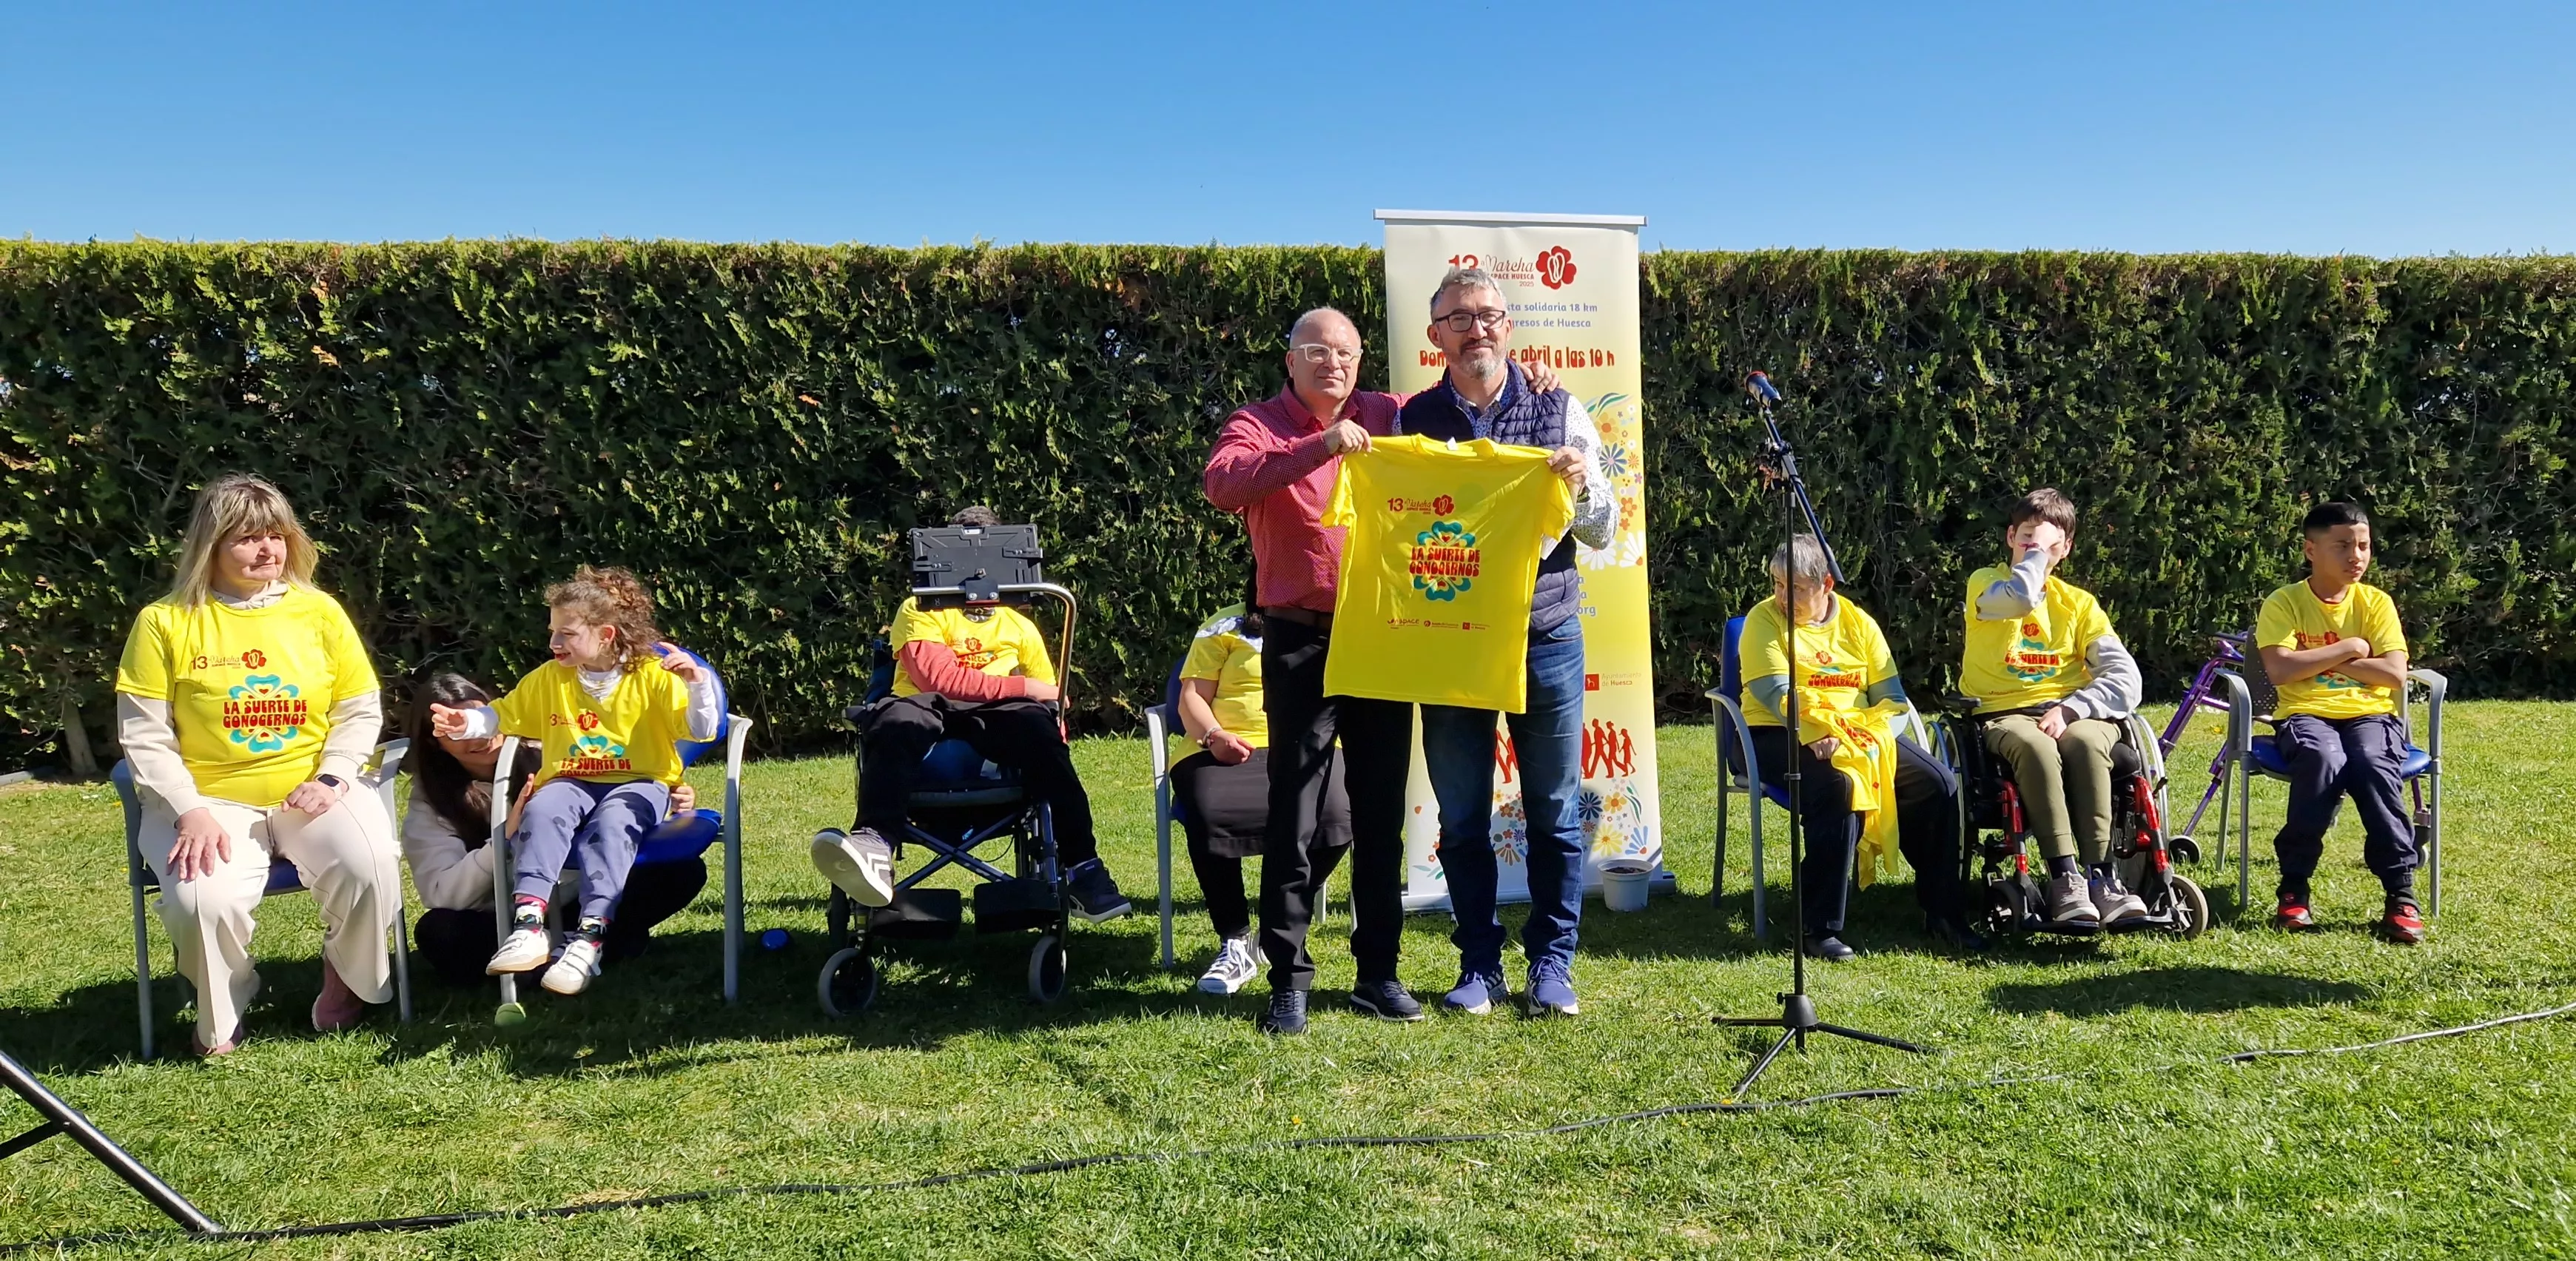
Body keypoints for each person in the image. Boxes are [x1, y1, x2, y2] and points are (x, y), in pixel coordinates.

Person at [1201, 306, 1560, 1034]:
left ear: (1361, 361)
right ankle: (1289, 979)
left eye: (1345, 353)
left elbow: (1465, 406)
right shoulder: (1258, 423)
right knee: (1295, 811)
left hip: (1385, 637)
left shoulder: (1392, 413)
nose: (1332, 364)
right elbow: (1225, 485)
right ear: (1291, 360)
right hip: (1300, 639)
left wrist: (1530, 382)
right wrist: (1321, 445)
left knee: (1379, 813)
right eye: (1316, 352)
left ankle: (1377, 973)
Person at [112, 474, 404, 1055]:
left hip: (312, 788)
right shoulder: (164, 622)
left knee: (370, 865)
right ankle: (227, 1001)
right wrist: (188, 810)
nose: (267, 550)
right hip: (207, 800)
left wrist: (334, 775)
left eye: (276, 535)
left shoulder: (318, 611)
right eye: (246, 538)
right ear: (210, 547)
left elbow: (358, 707)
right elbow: (143, 734)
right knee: (202, 899)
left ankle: (348, 977)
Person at [1397, 266, 1612, 1019]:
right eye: (1458, 317)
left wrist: (1581, 482)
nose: (1475, 328)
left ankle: (1551, 964)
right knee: (1460, 818)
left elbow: (1603, 529)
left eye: (1488, 314)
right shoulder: (1411, 420)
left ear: (1508, 326)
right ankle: (1478, 965)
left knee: (1553, 812)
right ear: (1435, 337)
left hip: (1545, 636)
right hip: (1451, 644)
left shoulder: (1559, 407)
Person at [810, 506, 1132, 924]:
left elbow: (1054, 701)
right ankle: (874, 844)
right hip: (925, 703)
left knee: (1041, 733)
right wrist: (1025, 688)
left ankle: (1083, 870)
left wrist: (1048, 718)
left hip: (995, 715)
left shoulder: (1018, 625)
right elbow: (936, 679)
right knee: (896, 721)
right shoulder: (919, 608)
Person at [426, 566, 722, 996]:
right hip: (571, 779)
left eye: (566, 634)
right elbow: (502, 714)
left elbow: (701, 729)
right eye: (552, 631)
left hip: (640, 781)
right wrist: (464, 721)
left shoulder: (654, 676)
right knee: (543, 808)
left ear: (604, 634)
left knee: (614, 823)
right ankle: (529, 925)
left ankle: (591, 936)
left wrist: (696, 686)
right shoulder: (550, 678)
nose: (553, 643)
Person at [1739, 535, 1969, 960]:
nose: (1782, 597)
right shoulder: (1763, 621)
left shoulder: (1860, 624)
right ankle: (1816, 926)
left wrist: (1873, 737)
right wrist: (1816, 730)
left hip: (1857, 734)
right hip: (1776, 733)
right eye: (1776, 584)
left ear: (1827, 584)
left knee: (1937, 783)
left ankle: (1944, 911)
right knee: (1838, 787)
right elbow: (1775, 694)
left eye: (1796, 588)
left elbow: (1894, 700)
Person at [400, 672, 709, 987]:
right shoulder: (431, 800)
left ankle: (577, 946)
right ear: (433, 742)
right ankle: (582, 950)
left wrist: (668, 798)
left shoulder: (552, 754)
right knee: (439, 931)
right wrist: (504, 836)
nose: (477, 738)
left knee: (680, 871)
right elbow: (443, 892)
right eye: (455, 730)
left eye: (476, 719)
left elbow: (617, 809)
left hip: (576, 893)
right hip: (500, 913)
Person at [1960, 488, 2148, 930]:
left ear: (2066, 549)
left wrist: (2075, 708)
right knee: (2038, 747)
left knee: (2084, 743)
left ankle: (2103, 879)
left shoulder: (2079, 605)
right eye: (2026, 538)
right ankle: (2065, 877)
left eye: (2047, 543)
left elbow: (2126, 678)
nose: (2034, 549)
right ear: (2010, 537)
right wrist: (2034, 559)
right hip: (2002, 712)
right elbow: (2022, 598)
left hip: (2074, 711)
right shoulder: (1986, 584)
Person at [2256, 501, 2425, 944]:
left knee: (2371, 763)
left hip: (2372, 715)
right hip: (2305, 716)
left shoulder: (2376, 603)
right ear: (2312, 550)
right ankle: (2294, 888)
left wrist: (2314, 661)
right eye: (2343, 546)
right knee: (2321, 757)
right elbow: (2278, 671)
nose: (2357, 556)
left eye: (2365, 546)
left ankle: (2401, 897)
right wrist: (2352, 647)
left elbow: (2393, 675)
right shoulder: (2284, 602)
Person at [1170, 599, 1350, 995]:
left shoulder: (1333, 620)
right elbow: (1191, 698)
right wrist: (1214, 737)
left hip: (1308, 743)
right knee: (1211, 811)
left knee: (1338, 814)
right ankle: (1234, 939)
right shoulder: (1225, 625)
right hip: (1225, 747)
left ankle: (1275, 925)